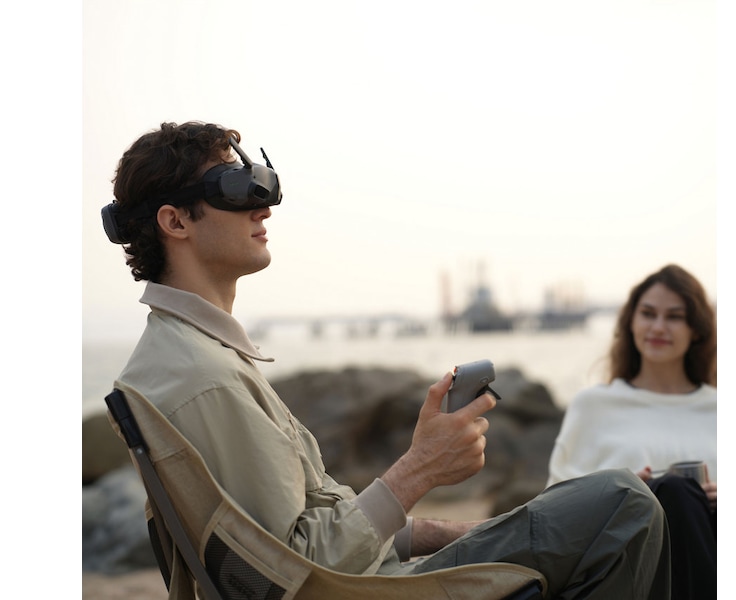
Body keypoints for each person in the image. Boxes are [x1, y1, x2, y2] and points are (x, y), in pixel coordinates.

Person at [103, 121, 671, 599]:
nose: (263, 205)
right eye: (235, 186)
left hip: (375, 574)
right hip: (376, 590)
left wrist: (453, 531)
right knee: (622, 503)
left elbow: (307, 536)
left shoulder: (188, 356)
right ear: (175, 222)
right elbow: (299, 572)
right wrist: (419, 469)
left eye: (264, 183)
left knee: (660, 500)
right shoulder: (204, 378)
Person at [547, 264, 717, 599]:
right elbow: (553, 507)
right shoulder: (593, 405)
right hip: (625, 564)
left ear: (696, 329)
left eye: (674, 317)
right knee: (669, 492)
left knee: (681, 495)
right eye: (648, 314)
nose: (658, 327)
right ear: (631, 322)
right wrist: (618, 492)